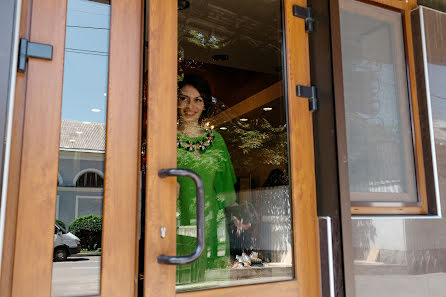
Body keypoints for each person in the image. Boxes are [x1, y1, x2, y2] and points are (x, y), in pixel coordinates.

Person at [176, 74, 237, 284]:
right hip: (175, 223)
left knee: (211, 286)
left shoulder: (216, 140)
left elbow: (226, 192)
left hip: (212, 226)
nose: (189, 106)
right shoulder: (165, 137)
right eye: (184, 98)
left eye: (197, 100)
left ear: (204, 105)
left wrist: (235, 217)